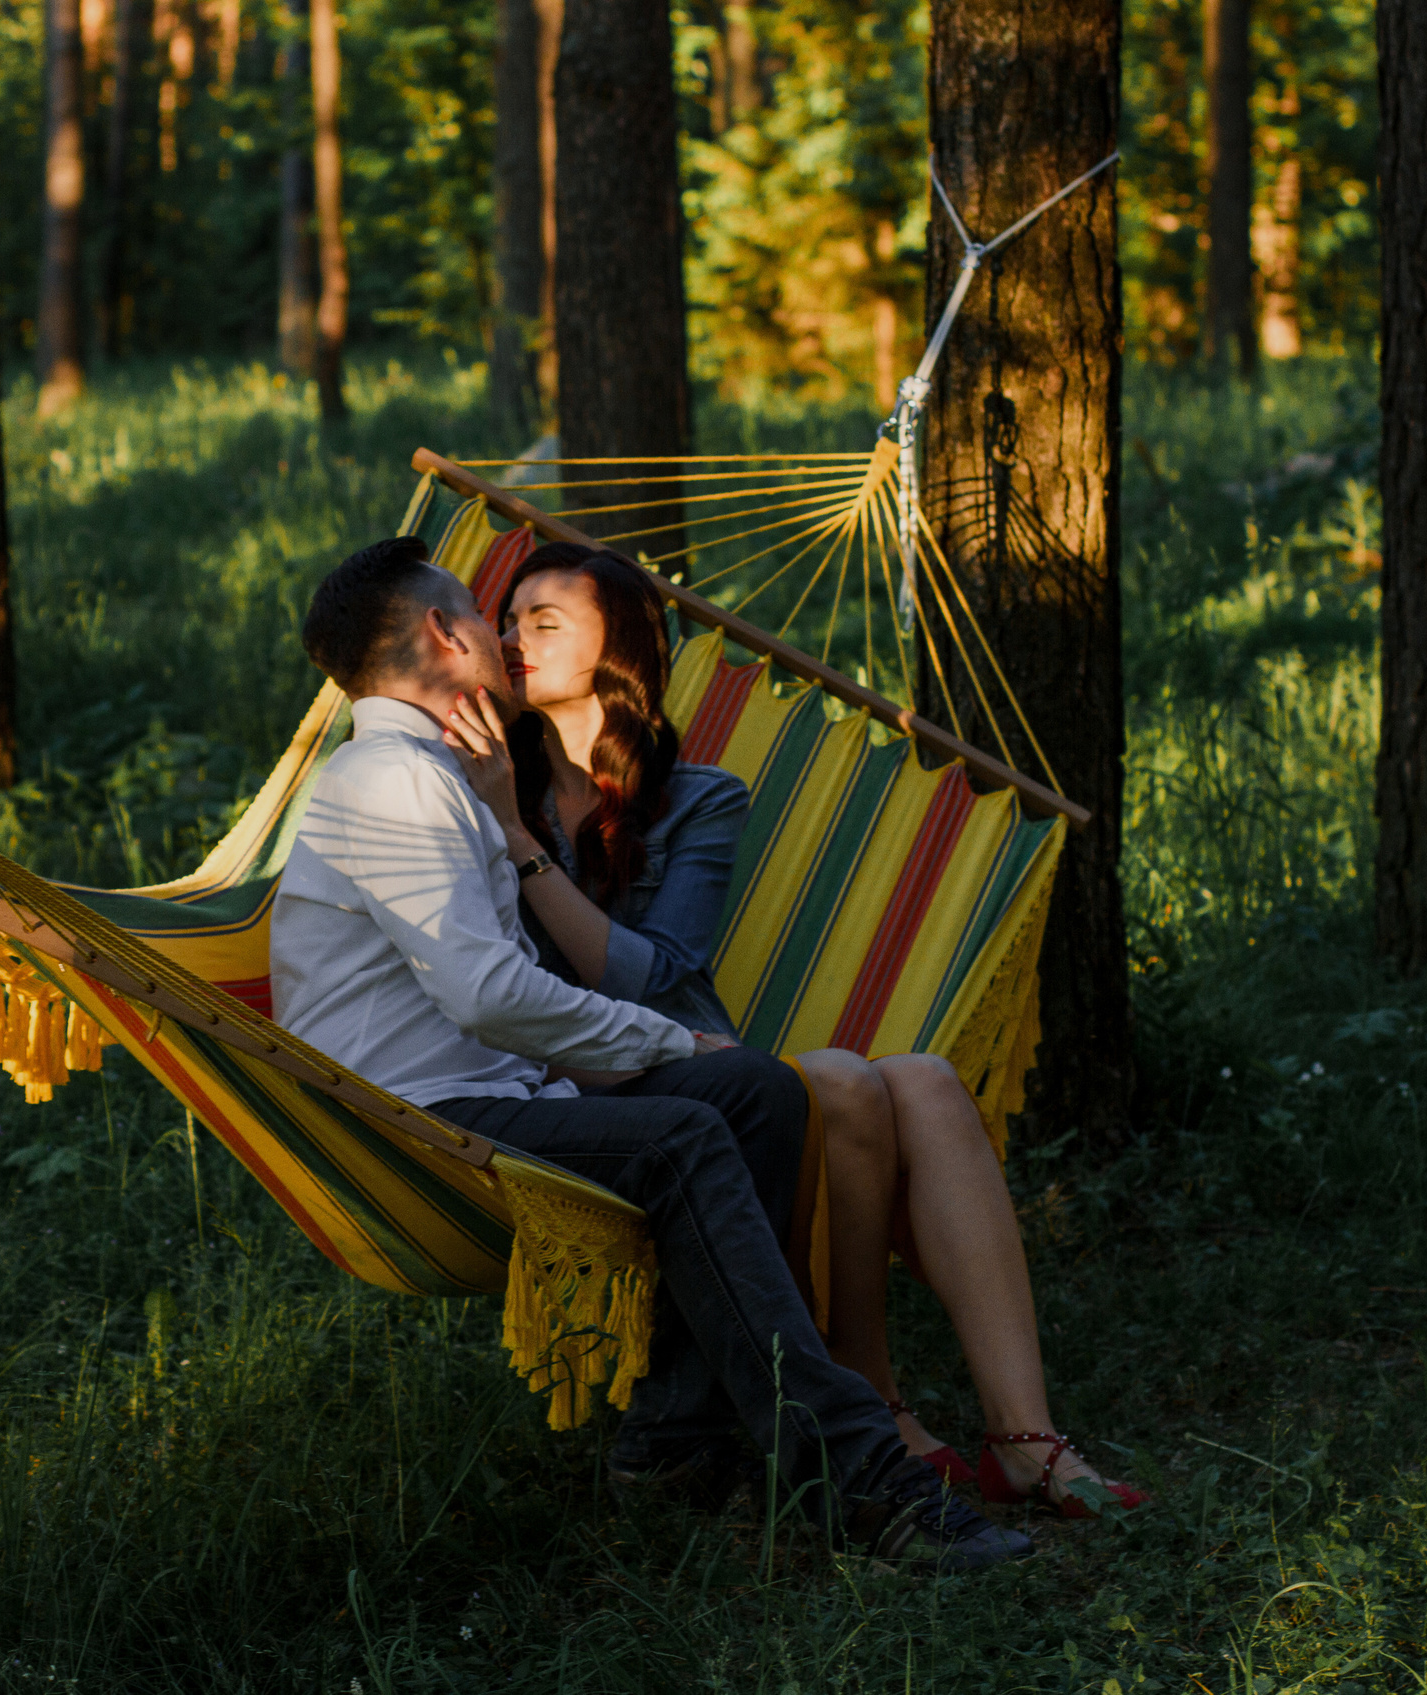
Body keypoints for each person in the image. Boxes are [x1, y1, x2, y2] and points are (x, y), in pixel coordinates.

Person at [268, 535, 1034, 1570]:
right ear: (444, 634)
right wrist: (666, 1036)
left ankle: (676, 1442)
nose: (500, 633)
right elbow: (486, 992)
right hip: (418, 1124)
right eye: (483, 615)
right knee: (681, 1137)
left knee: (754, 1091)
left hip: (495, 1091)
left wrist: (672, 1043)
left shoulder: (442, 774)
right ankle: (864, 1481)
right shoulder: (394, 781)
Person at [437, 540, 1145, 1520]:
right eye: (507, 619)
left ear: (623, 646)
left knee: (926, 1077)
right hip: (585, 1088)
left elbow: (663, 978)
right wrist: (514, 835)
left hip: (688, 1060)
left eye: (543, 620)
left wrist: (525, 850)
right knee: (849, 1083)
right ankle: (877, 1405)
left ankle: (1024, 1436)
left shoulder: (697, 798)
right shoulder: (471, 791)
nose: (512, 639)